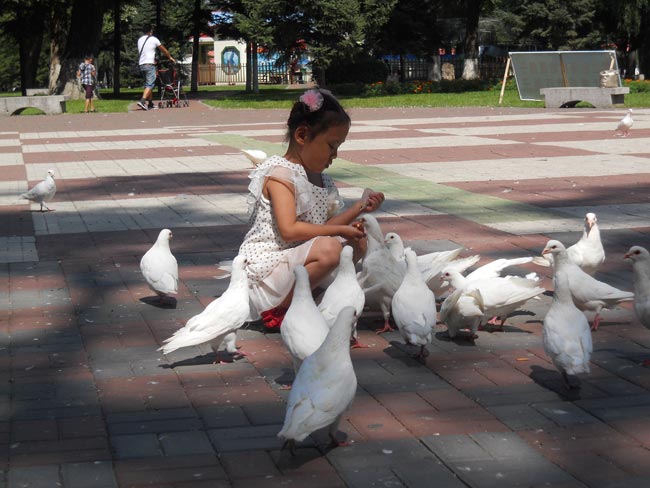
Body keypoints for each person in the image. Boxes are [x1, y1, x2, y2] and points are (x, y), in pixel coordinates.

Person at [239, 88, 385, 330]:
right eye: (331, 145)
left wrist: (360, 208)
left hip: (295, 260)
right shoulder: (281, 174)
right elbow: (289, 230)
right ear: (302, 135)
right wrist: (340, 230)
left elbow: (321, 228)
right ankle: (279, 310)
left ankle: (307, 298)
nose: (335, 154)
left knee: (358, 242)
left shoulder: (320, 178)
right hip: (268, 270)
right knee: (330, 248)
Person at [136, 24, 175, 111]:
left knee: (147, 84)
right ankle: (142, 101)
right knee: (150, 84)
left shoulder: (140, 40)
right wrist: (170, 57)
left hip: (141, 64)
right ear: (150, 31)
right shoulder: (153, 39)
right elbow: (163, 50)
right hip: (149, 64)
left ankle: (150, 104)